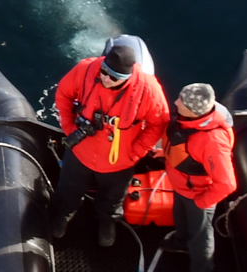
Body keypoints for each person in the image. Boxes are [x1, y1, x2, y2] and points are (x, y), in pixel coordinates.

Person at [48, 35, 169, 247]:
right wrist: (69, 128)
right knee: (69, 188)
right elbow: (63, 94)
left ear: (128, 77)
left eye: (113, 77)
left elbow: (158, 123)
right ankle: (64, 213)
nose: (105, 78)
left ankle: (107, 220)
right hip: (81, 151)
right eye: (103, 72)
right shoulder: (86, 69)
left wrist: (136, 152)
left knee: (113, 197)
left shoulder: (149, 89)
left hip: (119, 159)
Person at [160, 81, 238, 272]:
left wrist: (202, 202)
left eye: (181, 101)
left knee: (200, 235)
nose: (176, 102)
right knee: (180, 217)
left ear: (194, 112)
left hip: (198, 194)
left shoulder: (213, 141)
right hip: (180, 185)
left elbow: (227, 183)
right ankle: (181, 242)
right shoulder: (187, 120)